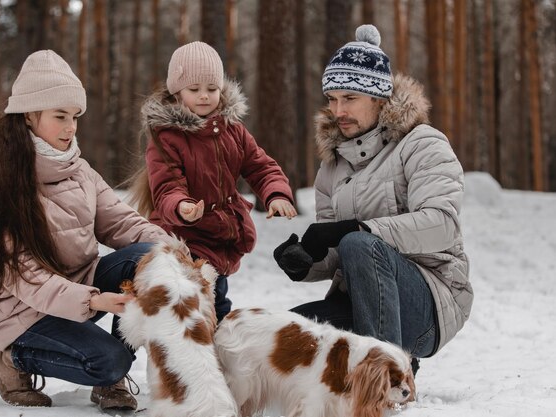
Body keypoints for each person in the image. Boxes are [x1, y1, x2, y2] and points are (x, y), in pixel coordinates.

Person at [0, 50, 171, 410]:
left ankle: (110, 380)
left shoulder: (77, 168)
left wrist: (174, 252)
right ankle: (12, 361)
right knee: (109, 361)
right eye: (60, 117)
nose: (71, 127)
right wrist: (91, 300)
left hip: (74, 286)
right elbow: (21, 275)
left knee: (151, 258)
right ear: (29, 115)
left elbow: (119, 221)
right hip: (19, 310)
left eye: (75, 117)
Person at [273, 25, 473, 374]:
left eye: (349, 98)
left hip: (429, 305)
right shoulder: (332, 166)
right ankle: (369, 364)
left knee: (358, 243)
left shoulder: (422, 144)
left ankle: (386, 379)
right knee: (286, 334)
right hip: (360, 303)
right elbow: (337, 254)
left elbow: (442, 225)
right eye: (332, 99)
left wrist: (357, 229)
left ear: (379, 99)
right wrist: (306, 262)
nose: (338, 111)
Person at [130, 41, 297, 322]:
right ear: (176, 91)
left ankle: (212, 359)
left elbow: (260, 165)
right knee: (194, 308)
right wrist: (182, 205)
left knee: (217, 304)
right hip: (184, 237)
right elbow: (167, 185)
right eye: (194, 90)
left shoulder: (234, 131)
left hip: (221, 236)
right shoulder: (167, 136)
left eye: (212, 89)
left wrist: (276, 193)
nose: (204, 96)